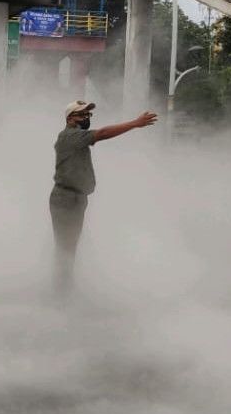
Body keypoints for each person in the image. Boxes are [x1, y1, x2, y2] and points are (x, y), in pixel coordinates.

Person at [50, 100, 158, 295]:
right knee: (65, 246)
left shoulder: (76, 136)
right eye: (82, 115)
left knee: (70, 245)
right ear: (69, 119)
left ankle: (64, 288)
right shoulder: (69, 136)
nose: (86, 118)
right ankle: (61, 292)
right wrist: (135, 123)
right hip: (65, 198)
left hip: (76, 198)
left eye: (88, 115)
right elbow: (102, 134)